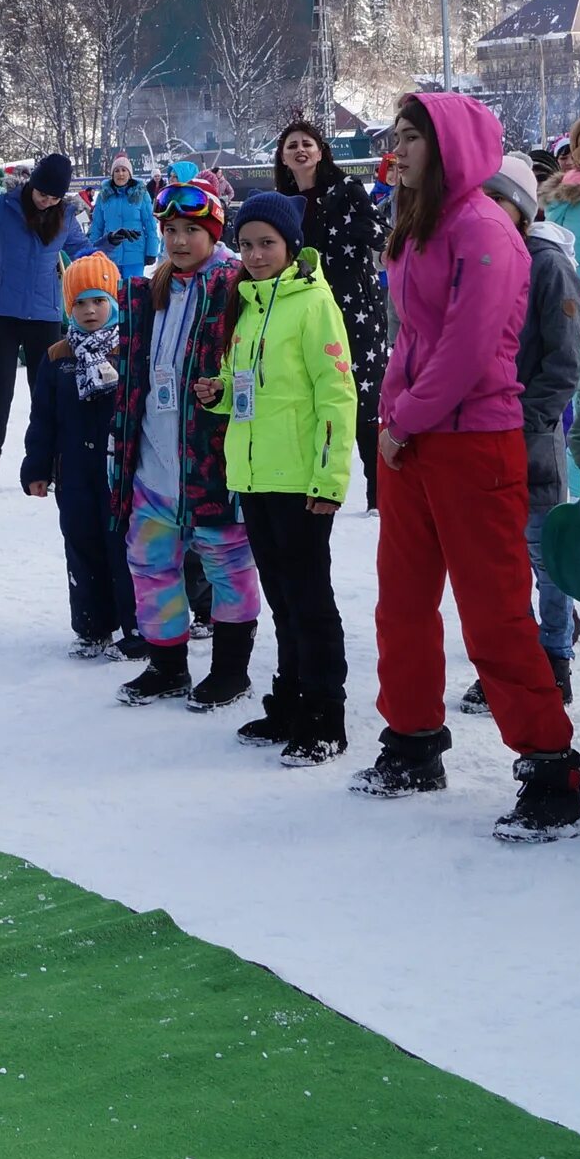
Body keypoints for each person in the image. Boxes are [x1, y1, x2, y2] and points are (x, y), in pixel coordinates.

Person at [352, 94, 580, 842]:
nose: (400, 147)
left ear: (450, 144)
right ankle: (414, 737)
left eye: (414, 134)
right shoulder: (423, 225)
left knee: (493, 611)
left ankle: (552, 768)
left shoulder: (486, 228)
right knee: (403, 601)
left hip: (471, 439)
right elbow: (411, 339)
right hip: (418, 439)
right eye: (397, 135)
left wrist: (408, 415)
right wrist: (393, 413)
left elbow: (468, 348)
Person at [213, 193, 358, 766]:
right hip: (253, 476)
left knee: (309, 600)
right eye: (246, 244)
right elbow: (245, 383)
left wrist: (329, 478)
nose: (255, 254)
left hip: (299, 479)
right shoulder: (247, 304)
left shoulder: (314, 302)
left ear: (290, 244)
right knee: (281, 600)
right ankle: (291, 701)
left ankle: (326, 716)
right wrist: (219, 392)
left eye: (266, 243)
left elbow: (336, 393)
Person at [106, 180, 256, 707]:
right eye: (170, 230)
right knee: (150, 564)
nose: (179, 240)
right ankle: (166, 665)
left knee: (226, 563)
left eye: (192, 230)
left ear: (213, 234)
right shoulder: (153, 289)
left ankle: (231, 671)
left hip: (209, 459)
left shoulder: (236, 286)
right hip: (152, 460)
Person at [483, 152, 580, 704]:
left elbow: (565, 359)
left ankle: (555, 654)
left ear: (523, 208)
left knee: (546, 555)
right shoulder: (480, 262)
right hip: (484, 440)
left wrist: (525, 418)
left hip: (532, 439)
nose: (488, 212)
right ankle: (516, 654)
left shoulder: (546, 265)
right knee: (501, 558)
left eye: (499, 200)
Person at [0, 152, 90, 492]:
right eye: (43, 193)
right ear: (33, 183)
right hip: (2, 313)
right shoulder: (6, 205)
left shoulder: (65, 215)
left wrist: (103, 250)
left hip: (44, 315)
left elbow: (82, 249)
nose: (46, 201)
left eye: (54, 197)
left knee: (45, 393)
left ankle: (47, 463)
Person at [273, 119, 391, 511]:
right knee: (313, 394)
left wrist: (360, 230)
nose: (300, 150)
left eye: (307, 143)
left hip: (356, 306)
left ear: (321, 151)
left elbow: (383, 235)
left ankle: (379, 490)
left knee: (364, 396)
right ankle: (314, 481)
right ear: (283, 157)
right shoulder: (283, 202)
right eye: (292, 145)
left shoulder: (347, 190)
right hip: (308, 310)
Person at [24, 251, 134, 659]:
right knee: (82, 546)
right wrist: (37, 466)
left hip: (120, 474)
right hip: (73, 474)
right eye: (80, 303)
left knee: (124, 549)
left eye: (99, 300)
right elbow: (43, 419)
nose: (90, 311)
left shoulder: (129, 351)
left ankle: (136, 627)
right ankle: (91, 627)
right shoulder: (57, 357)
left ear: (115, 302)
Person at [88, 153, 158, 280]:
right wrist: (92, 250)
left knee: (133, 294)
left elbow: (150, 225)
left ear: (129, 173)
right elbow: (97, 226)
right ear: (112, 174)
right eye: (117, 170)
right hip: (109, 255)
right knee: (112, 294)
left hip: (135, 255)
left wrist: (152, 251)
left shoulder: (141, 194)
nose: (120, 174)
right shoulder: (104, 196)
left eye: (124, 170)